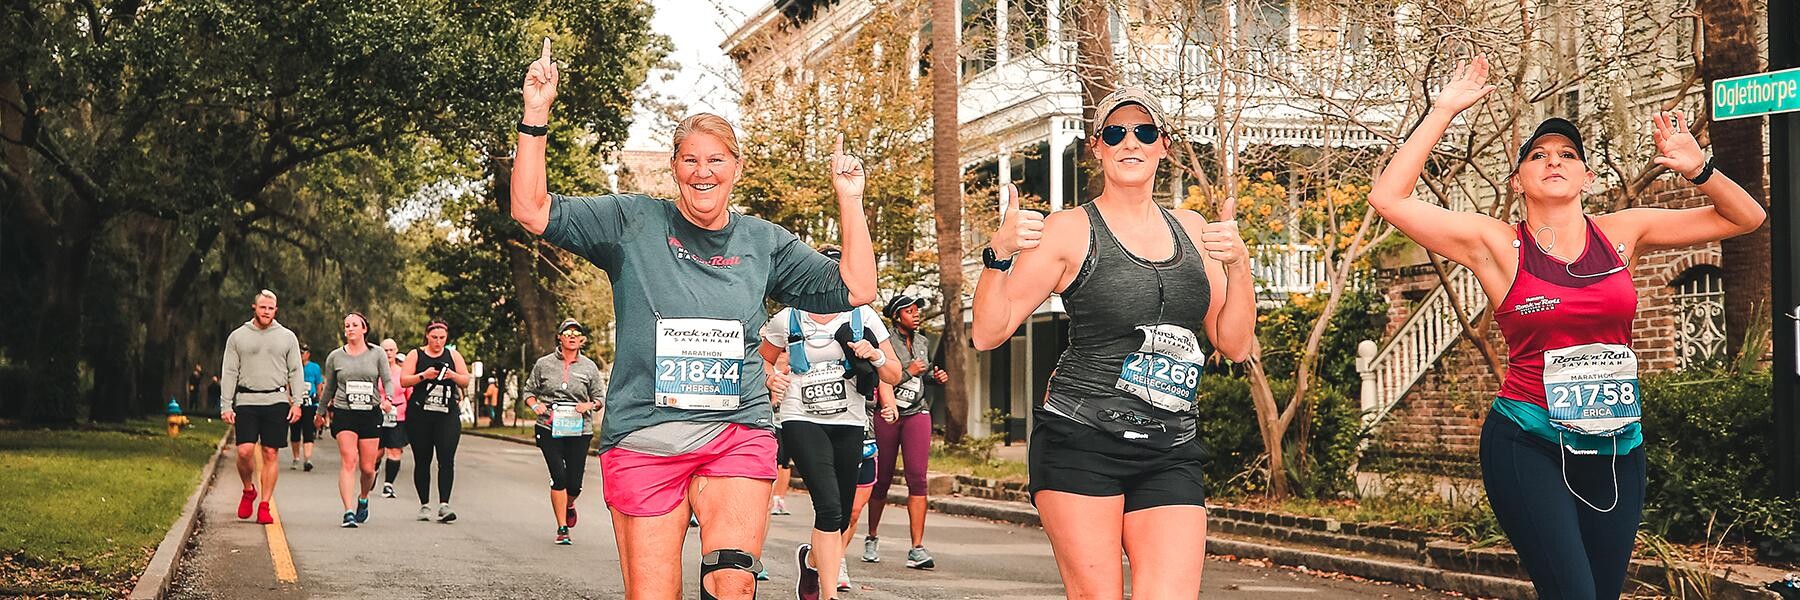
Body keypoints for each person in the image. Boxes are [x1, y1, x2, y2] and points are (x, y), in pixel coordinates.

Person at [1365, 57, 1764, 600]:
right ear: (1517, 180)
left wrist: (1699, 170)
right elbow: (1388, 198)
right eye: (1538, 155)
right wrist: (1443, 111)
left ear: (1587, 177)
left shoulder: (1622, 232)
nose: (1554, 160)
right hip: (1528, 439)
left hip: (1618, 446)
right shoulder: (1498, 245)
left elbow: (1746, 218)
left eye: (1568, 154)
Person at [511, 38, 878, 600]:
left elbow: (857, 288)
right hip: (644, 434)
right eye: (690, 160)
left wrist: (850, 199)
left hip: (736, 431)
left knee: (733, 582)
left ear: (736, 167)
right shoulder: (631, 221)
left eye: (716, 160)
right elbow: (531, 209)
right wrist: (535, 116)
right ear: (674, 167)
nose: (703, 172)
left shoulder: (763, 242)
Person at [971, 88, 1257, 599]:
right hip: (1082, 439)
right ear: (1097, 147)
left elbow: (1234, 344)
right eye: (1115, 132)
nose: (1131, 142)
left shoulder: (1193, 229)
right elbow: (989, 331)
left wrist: (1240, 266)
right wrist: (999, 253)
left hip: (1171, 446)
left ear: (1164, 146)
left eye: (1144, 132)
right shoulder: (1068, 231)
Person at [758, 250, 902, 600]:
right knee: (828, 506)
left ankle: (811, 561)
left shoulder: (863, 316)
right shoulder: (787, 318)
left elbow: (894, 374)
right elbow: (760, 361)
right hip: (800, 417)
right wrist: (771, 379)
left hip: (848, 420)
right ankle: (828, 594)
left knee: (841, 515)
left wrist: (875, 355)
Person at [864, 293, 948, 567]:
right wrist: (909, 371)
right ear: (896, 316)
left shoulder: (922, 341)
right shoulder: (884, 341)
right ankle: (872, 536)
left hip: (917, 412)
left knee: (918, 478)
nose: (916, 315)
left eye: (916, 311)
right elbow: (883, 376)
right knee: (882, 478)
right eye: (909, 311)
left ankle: (917, 547)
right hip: (888, 413)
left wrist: (935, 377)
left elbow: (924, 374)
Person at [219, 289, 306, 525]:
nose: (266, 312)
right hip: (246, 400)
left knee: (270, 453)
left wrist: (297, 402)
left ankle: (265, 505)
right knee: (245, 451)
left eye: (270, 308)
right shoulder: (238, 337)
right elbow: (229, 371)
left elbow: (296, 371)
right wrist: (226, 405)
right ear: (254, 308)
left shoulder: (287, 337)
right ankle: (248, 490)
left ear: (276, 310)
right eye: (263, 307)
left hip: (276, 400)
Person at [525, 319, 608, 544]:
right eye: (567, 332)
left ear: (582, 340)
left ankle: (569, 503)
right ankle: (562, 528)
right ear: (559, 337)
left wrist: (588, 405)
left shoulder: (589, 367)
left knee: (574, 484)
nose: (572, 336)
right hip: (548, 427)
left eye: (576, 333)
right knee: (558, 477)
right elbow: (528, 392)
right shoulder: (544, 364)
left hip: (579, 429)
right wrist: (535, 405)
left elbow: (600, 398)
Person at [318, 312, 398, 528]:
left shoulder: (377, 353)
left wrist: (388, 399)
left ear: (364, 329)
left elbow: (387, 380)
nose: (350, 328)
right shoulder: (335, 357)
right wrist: (320, 412)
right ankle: (348, 512)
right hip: (345, 412)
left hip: (370, 412)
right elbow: (330, 387)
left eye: (355, 325)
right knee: (349, 460)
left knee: (367, 468)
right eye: (347, 325)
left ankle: (363, 498)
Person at [400, 320, 472, 522]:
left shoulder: (453, 355)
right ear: (427, 336)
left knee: (446, 459)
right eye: (434, 338)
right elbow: (404, 380)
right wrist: (424, 375)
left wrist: (452, 375)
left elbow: (465, 380)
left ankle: (444, 504)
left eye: (442, 338)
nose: (438, 342)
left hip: (446, 414)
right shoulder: (416, 354)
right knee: (422, 460)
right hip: (420, 415)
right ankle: (424, 504)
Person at [379, 338, 412, 498]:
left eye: (391, 350)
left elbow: (409, 395)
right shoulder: (375, 372)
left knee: (394, 450)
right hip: (378, 415)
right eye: (385, 350)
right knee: (376, 453)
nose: (389, 353)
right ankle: (372, 472)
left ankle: (388, 485)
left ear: (396, 351)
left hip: (398, 416)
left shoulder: (402, 373)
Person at [290, 344, 323, 471]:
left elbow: (319, 384)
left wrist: (319, 401)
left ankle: (307, 458)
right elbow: (287, 382)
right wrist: (289, 398)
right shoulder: (292, 365)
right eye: (299, 352)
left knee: (309, 431)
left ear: (308, 354)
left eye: (303, 352)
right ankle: (296, 457)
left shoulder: (314, 368)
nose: (301, 355)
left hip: (310, 403)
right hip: (295, 403)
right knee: (295, 431)